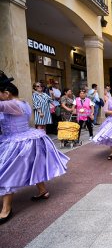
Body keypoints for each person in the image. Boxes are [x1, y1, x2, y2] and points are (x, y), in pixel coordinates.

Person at [0, 71, 69, 224]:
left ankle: (6, 209)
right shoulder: (23, 103)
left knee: (7, 171)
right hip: (25, 139)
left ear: (6, 93)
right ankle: (42, 190)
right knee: (32, 166)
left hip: (17, 143)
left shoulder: (11, 104)